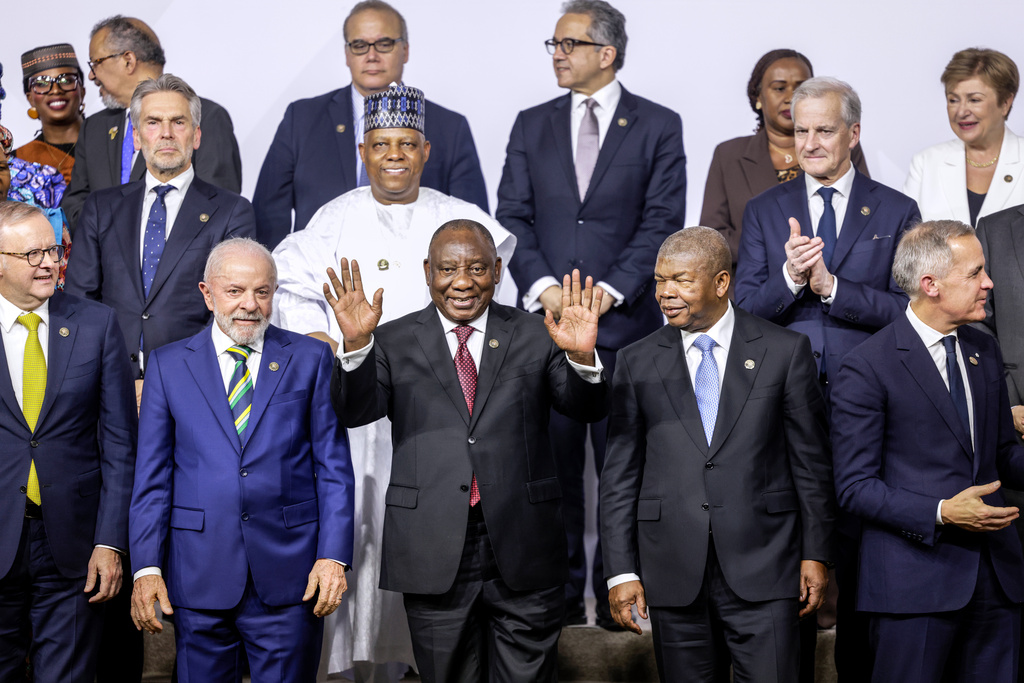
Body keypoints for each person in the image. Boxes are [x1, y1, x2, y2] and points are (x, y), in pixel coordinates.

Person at [272, 82, 513, 682]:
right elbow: (290, 282)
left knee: (426, 536)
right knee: (357, 526)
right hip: (356, 411)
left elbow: (490, 293)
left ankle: (417, 665)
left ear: (426, 151)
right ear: (364, 149)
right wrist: (318, 335)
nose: (395, 155)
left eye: (407, 144)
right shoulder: (337, 217)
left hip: (438, 415)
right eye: (382, 144)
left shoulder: (456, 219)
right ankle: (347, 666)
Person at [329, 220, 607, 682]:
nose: (462, 281)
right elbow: (356, 411)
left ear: (497, 270)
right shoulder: (392, 339)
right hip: (432, 547)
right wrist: (356, 345)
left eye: (477, 267)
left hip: (524, 543)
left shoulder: (537, 333)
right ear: (427, 271)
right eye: (448, 269)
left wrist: (581, 358)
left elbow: (585, 409)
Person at [495, 0, 685, 628]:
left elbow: (662, 220)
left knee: (621, 470)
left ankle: (617, 597)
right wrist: (545, 287)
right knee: (548, 469)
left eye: (569, 43)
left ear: (606, 53)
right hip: (546, 327)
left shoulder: (658, 124)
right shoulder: (530, 123)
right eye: (553, 43)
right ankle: (557, 599)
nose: (557, 53)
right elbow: (512, 215)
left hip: (626, 329)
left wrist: (611, 290)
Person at [734, 76, 920, 681]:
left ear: (854, 134)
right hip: (782, 408)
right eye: (799, 129)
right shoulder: (765, 210)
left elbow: (909, 311)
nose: (808, 142)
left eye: (823, 129)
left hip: (871, 408)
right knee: (791, 557)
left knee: (865, 558)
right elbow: (742, 313)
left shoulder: (896, 210)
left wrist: (833, 289)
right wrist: (790, 279)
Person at [600, 226, 833, 681]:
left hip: (767, 568)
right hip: (673, 574)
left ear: (721, 282)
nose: (666, 293)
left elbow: (812, 465)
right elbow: (619, 477)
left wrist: (816, 553)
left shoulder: (785, 351)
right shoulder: (635, 360)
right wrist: (621, 571)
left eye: (681, 281)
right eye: (659, 281)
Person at [129, 237, 355, 683]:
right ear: (207, 293)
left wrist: (333, 557)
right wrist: (147, 566)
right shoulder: (167, 365)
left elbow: (334, 468)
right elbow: (152, 478)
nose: (249, 305)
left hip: (292, 578)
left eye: (263, 292)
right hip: (198, 576)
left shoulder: (310, 359)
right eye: (234, 291)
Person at [831, 219, 1024, 682]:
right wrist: (941, 511)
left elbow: (1002, 456)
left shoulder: (983, 348)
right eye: (975, 273)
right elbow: (855, 488)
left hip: (996, 583)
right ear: (930, 284)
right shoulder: (866, 367)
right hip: (912, 587)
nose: (988, 283)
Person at [0, 200, 137, 681]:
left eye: (52, 250)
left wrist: (110, 541)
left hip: (75, 544)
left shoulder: (96, 324)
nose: (48, 263)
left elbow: (121, 446)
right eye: (32, 254)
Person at [65, 73, 256, 383]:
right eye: (153, 123)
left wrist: (164, 384)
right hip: (111, 387)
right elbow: (81, 304)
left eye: (178, 122)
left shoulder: (232, 211)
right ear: (138, 138)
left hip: (194, 385)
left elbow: (232, 312)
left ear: (196, 136)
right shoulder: (101, 207)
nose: (166, 134)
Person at [253, 0, 488, 250]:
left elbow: (474, 230)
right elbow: (268, 218)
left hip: (417, 278)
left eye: (384, 44)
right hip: (319, 280)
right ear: (347, 54)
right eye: (360, 45)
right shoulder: (301, 119)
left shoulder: (449, 127)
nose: (372, 56)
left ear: (405, 50)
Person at [63, 15, 241, 227]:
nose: (91, 76)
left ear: (128, 61)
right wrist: (110, 236)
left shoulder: (206, 116)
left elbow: (217, 208)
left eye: (96, 63)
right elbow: (73, 204)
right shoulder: (94, 127)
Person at [700, 49, 869, 265]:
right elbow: (712, 238)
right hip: (753, 286)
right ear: (758, 97)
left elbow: (864, 217)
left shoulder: (842, 146)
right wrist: (781, 252)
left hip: (836, 283)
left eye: (801, 88)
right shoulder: (729, 155)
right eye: (779, 88)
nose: (791, 98)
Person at [905, 49, 1024, 227]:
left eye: (974, 100)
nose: (961, 112)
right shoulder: (926, 162)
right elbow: (908, 242)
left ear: (1005, 103)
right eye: (953, 100)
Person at [15, 43, 86, 187]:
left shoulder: (113, 142)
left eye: (66, 80)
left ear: (82, 91)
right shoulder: (18, 161)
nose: (55, 90)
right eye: (41, 84)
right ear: (30, 98)